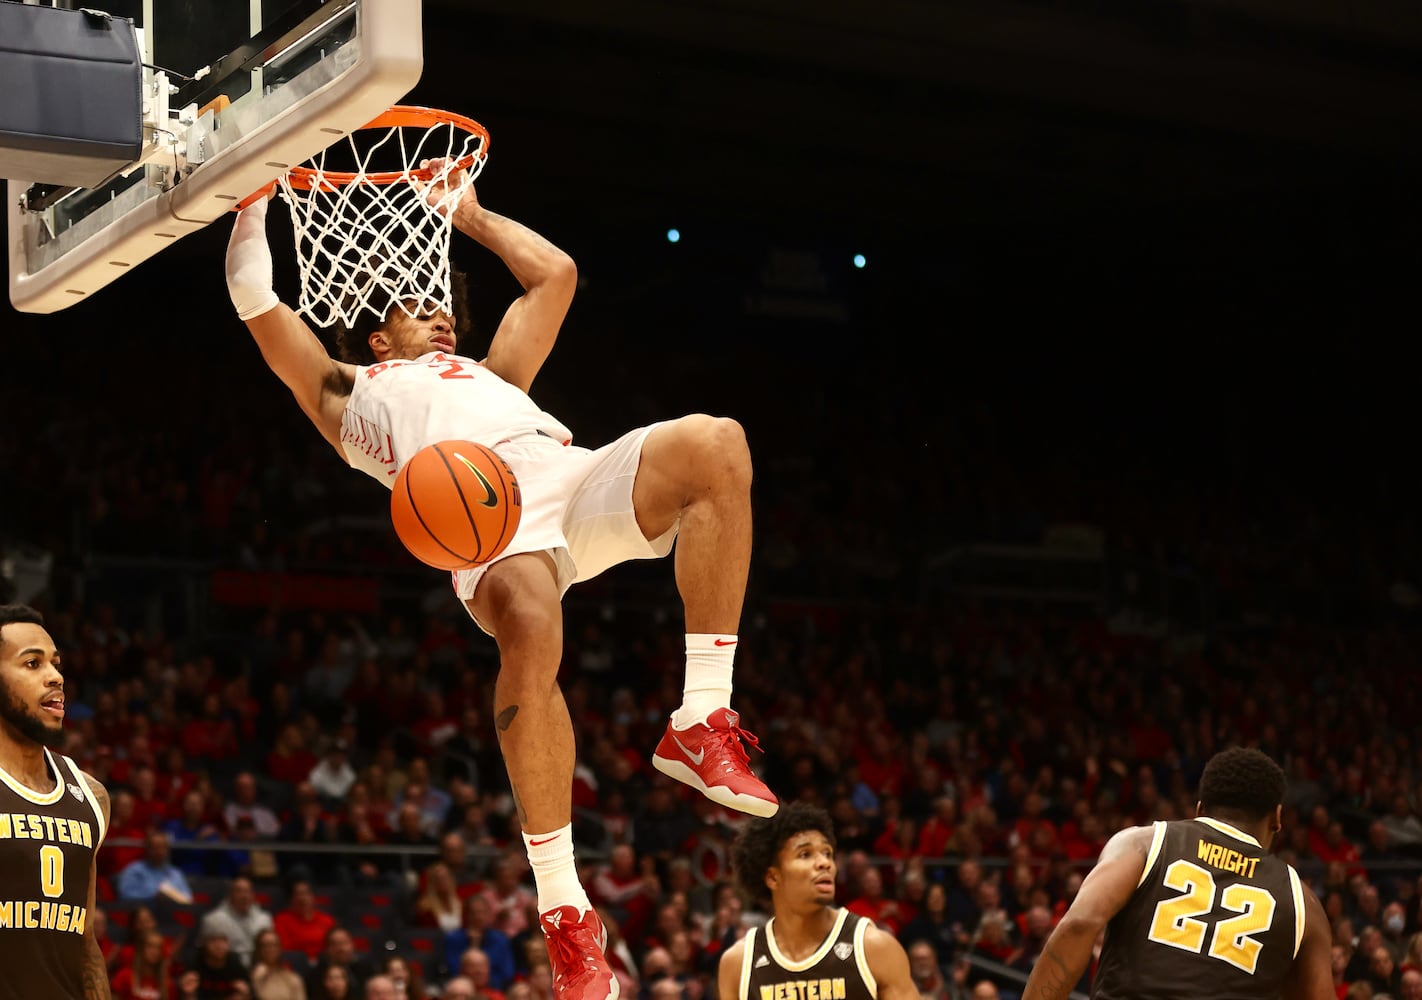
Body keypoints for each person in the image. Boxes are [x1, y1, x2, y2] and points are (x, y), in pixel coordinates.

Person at [225, 171, 778, 1000]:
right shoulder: (348, 392)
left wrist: (471, 215)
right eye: (418, 302)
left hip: (567, 474)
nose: (440, 307)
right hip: (482, 519)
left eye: (442, 297)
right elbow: (254, 297)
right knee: (528, 619)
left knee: (717, 444)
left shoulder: (495, 372)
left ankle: (702, 716)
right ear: (378, 338)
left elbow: (556, 277)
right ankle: (566, 914)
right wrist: (251, 196)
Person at [1019, 746, 1333, 1000]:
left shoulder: (1141, 843)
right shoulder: (1302, 900)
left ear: (1199, 809)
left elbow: (1078, 925)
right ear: (1277, 817)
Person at [0, 603, 112, 998]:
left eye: (56, 663)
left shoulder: (91, 795)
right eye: (32, 664)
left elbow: (85, 946)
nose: (55, 677)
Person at [717, 802, 917, 1000]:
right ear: (773, 877)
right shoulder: (738, 963)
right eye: (805, 854)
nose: (825, 863)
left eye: (827, 853)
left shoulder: (873, 947)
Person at [201, 877, 276, 969]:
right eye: (239, 891)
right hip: (228, 970)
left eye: (247, 891)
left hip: (260, 969)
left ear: (253, 895)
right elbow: (205, 953)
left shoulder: (264, 919)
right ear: (230, 895)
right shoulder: (213, 920)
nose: (244, 896)